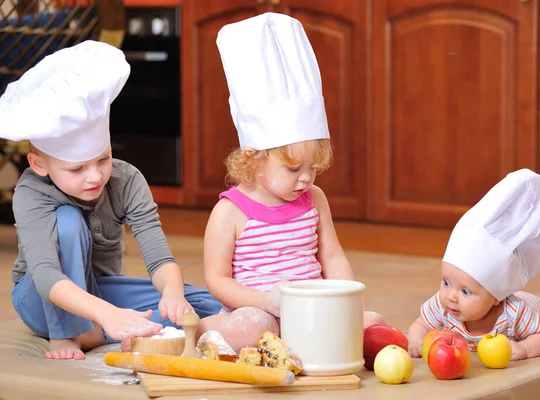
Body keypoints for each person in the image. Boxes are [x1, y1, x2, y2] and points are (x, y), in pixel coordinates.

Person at [0, 40, 222, 360]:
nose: (95, 177)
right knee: (68, 220)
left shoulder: (126, 179)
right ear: (39, 165)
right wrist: (108, 314)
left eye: (103, 159)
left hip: (101, 289)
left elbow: (159, 259)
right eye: (77, 168)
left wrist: (173, 293)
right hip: (43, 298)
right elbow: (47, 276)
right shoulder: (30, 192)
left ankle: (104, 329)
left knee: (198, 304)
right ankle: (69, 333)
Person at [192, 12, 384, 352]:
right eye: (293, 169)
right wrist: (267, 300)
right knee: (254, 328)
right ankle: (215, 328)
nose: (306, 178)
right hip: (259, 309)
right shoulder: (230, 212)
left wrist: (345, 295)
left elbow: (333, 256)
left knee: (373, 323)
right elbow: (217, 280)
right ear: (252, 159)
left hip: (312, 310)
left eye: (313, 167)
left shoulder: (315, 198)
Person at [406, 169, 540, 361]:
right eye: (446, 282)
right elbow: (420, 325)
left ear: (496, 297)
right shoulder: (442, 305)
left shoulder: (515, 313)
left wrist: (525, 348)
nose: (451, 297)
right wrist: (415, 341)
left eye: (465, 292)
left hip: (533, 307)